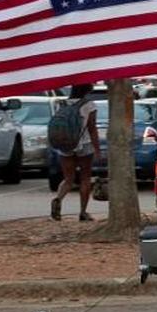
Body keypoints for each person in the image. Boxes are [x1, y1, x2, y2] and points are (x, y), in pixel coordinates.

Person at [51, 83, 101, 221]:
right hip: (84, 145)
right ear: (86, 89)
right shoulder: (89, 105)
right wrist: (97, 150)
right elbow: (92, 129)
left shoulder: (62, 103)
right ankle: (83, 212)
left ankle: (58, 199)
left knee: (68, 179)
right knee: (85, 179)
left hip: (66, 144)